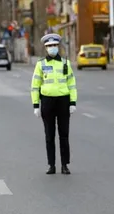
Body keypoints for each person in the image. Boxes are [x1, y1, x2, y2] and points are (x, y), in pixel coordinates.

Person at [30, 33, 77, 175]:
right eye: (50, 46)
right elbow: (35, 85)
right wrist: (36, 105)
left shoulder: (65, 63)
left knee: (64, 135)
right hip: (47, 102)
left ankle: (64, 165)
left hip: (63, 101)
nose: (52, 48)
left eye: (54, 45)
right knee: (49, 135)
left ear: (58, 46)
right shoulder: (41, 64)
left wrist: (73, 102)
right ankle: (51, 165)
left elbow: (72, 84)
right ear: (46, 48)